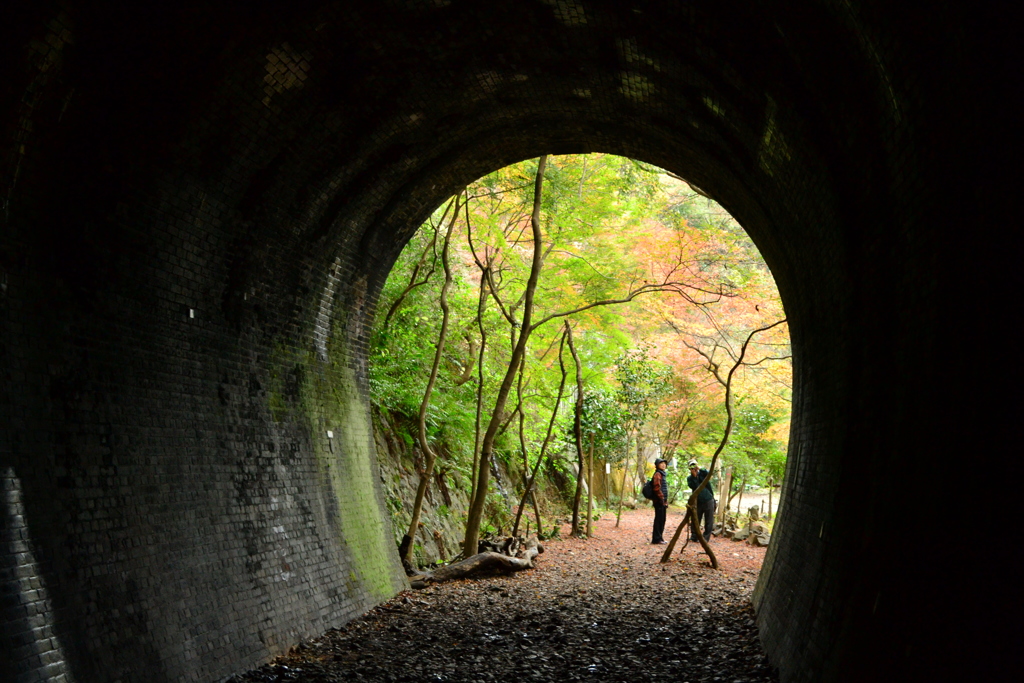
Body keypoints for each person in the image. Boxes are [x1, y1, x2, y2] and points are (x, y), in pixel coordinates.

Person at [687, 458, 716, 543]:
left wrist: (699, 468)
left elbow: (708, 473)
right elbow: (695, 487)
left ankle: (705, 538)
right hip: (697, 501)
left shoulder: (703, 474)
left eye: (694, 465)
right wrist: (694, 476)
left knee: (709, 520)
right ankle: (694, 536)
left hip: (708, 499)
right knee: (696, 519)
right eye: (691, 466)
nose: (693, 467)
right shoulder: (690, 478)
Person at [651, 458, 669, 544]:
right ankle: (656, 539)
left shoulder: (662, 474)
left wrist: (665, 500)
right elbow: (656, 488)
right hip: (659, 501)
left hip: (662, 501)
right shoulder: (658, 474)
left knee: (662, 519)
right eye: (661, 463)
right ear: (657, 465)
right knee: (659, 520)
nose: (663, 465)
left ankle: (660, 538)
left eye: (664, 463)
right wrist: (661, 498)